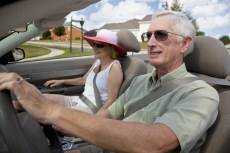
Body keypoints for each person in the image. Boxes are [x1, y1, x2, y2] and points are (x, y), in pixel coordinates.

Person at [0, 10, 219, 153]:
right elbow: (110, 113)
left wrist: (51, 111)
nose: (150, 42)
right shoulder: (139, 81)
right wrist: (75, 129)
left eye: (161, 35)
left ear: (184, 44)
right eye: (148, 36)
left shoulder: (201, 94)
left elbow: (155, 144)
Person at [43, 29, 126, 114]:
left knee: (55, 115)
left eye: (99, 45)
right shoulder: (98, 62)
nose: (94, 47)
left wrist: (98, 118)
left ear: (111, 48)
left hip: (92, 108)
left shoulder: (114, 67)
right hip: (80, 99)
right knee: (41, 98)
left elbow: (111, 100)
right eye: (94, 44)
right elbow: (83, 80)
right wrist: (62, 81)